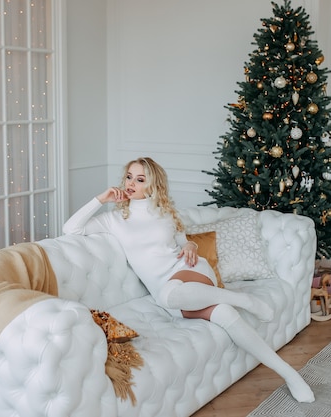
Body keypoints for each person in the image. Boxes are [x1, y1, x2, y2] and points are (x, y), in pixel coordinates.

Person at [63, 157, 315, 403]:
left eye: (140, 179)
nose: (131, 183)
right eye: (129, 177)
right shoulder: (114, 219)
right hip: (172, 293)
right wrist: (100, 199)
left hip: (189, 271)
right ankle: (290, 374)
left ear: (153, 185)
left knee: (169, 295)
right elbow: (71, 229)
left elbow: (184, 242)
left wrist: (192, 246)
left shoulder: (165, 213)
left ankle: (248, 306)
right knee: (222, 314)